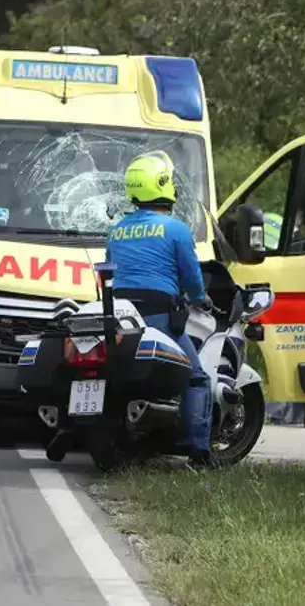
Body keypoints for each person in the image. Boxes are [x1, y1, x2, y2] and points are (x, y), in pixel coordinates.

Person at [105, 150, 213, 467]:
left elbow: (110, 272)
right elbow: (192, 279)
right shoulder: (175, 229)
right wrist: (202, 299)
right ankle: (199, 451)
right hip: (158, 318)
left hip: (121, 318)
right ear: (163, 184)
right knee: (195, 378)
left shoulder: (117, 230)